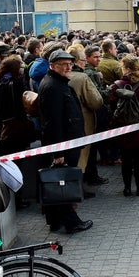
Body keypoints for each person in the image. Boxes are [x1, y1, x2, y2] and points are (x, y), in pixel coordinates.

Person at [37, 50, 93, 234]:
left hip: (68, 142)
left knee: (58, 182)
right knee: (63, 183)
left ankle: (55, 221)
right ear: (52, 66)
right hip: (63, 145)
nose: (69, 67)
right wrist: (58, 152)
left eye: (70, 64)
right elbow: (53, 122)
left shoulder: (58, 83)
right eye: (64, 64)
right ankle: (71, 222)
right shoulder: (53, 86)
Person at [109, 55, 139, 197]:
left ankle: (127, 188)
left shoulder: (116, 85)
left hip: (123, 127)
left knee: (126, 159)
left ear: (126, 69)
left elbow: (111, 105)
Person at [67, 47, 104, 193]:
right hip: (83, 121)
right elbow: (96, 101)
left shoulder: (54, 77)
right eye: (83, 60)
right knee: (82, 156)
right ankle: (78, 189)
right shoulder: (82, 78)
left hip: (66, 123)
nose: (84, 63)